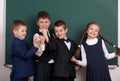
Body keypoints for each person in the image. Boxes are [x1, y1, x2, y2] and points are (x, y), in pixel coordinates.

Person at [33, 11, 56, 81]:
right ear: (37, 23)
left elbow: (54, 48)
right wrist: (45, 36)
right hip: (41, 65)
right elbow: (38, 53)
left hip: (50, 65)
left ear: (49, 22)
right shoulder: (37, 35)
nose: (44, 24)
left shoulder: (52, 34)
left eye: (46, 22)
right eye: (41, 22)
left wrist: (46, 36)